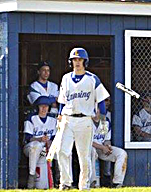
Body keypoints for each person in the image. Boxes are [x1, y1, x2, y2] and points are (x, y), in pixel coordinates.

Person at [55, 47, 110, 190]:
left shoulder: (92, 79)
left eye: (80, 59)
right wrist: (59, 116)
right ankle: (65, 183)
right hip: (68, 118)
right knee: (62, 151)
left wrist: (103, 124)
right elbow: (62, 100)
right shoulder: (66, 78)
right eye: (74, 59)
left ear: (85, 61)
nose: (77, 62)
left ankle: (83, 185)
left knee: (84, 155)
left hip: (85, 120)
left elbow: (102, 102)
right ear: (71, 62)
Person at [23, 96, 57, 189]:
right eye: (41, 106)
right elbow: (28, 138)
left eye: (46, 106)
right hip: (31, 147)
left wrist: (50, 142)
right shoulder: (32, 118)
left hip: (47, 147)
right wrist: (40, 139)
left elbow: (55, 137)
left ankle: (58, 179)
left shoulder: (53, 120)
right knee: (36, 146)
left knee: (60, 150)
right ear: (37, 107)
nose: (43, 108)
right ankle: (31, 177)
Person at [90, 106, 127, 188]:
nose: (95, 112)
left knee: (121, 153)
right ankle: (94, 183)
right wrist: (103, 147)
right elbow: (86, 142)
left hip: (101, 148)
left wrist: (107, 146)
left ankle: (117, 183)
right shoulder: (85, 122)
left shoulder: (104, 121)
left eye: (97, 109)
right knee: (92, 151)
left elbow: (106, 139)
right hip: (88, 149)